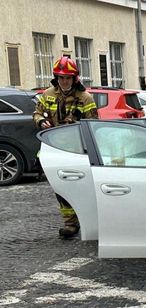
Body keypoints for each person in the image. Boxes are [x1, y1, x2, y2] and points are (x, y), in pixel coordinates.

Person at [33, 56, 98, 239]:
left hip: (79, 149)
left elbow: (93, 123)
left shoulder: (85, 98)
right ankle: (70, 223)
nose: (65, 81)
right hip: (55, 147)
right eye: (61, 77)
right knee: (60, 187)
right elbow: (37, 113)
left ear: (74, 78)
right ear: (56, 77)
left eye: (68, 78)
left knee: (83, 186)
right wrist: (42, 121)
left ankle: (90, 220)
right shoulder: (48, 95)